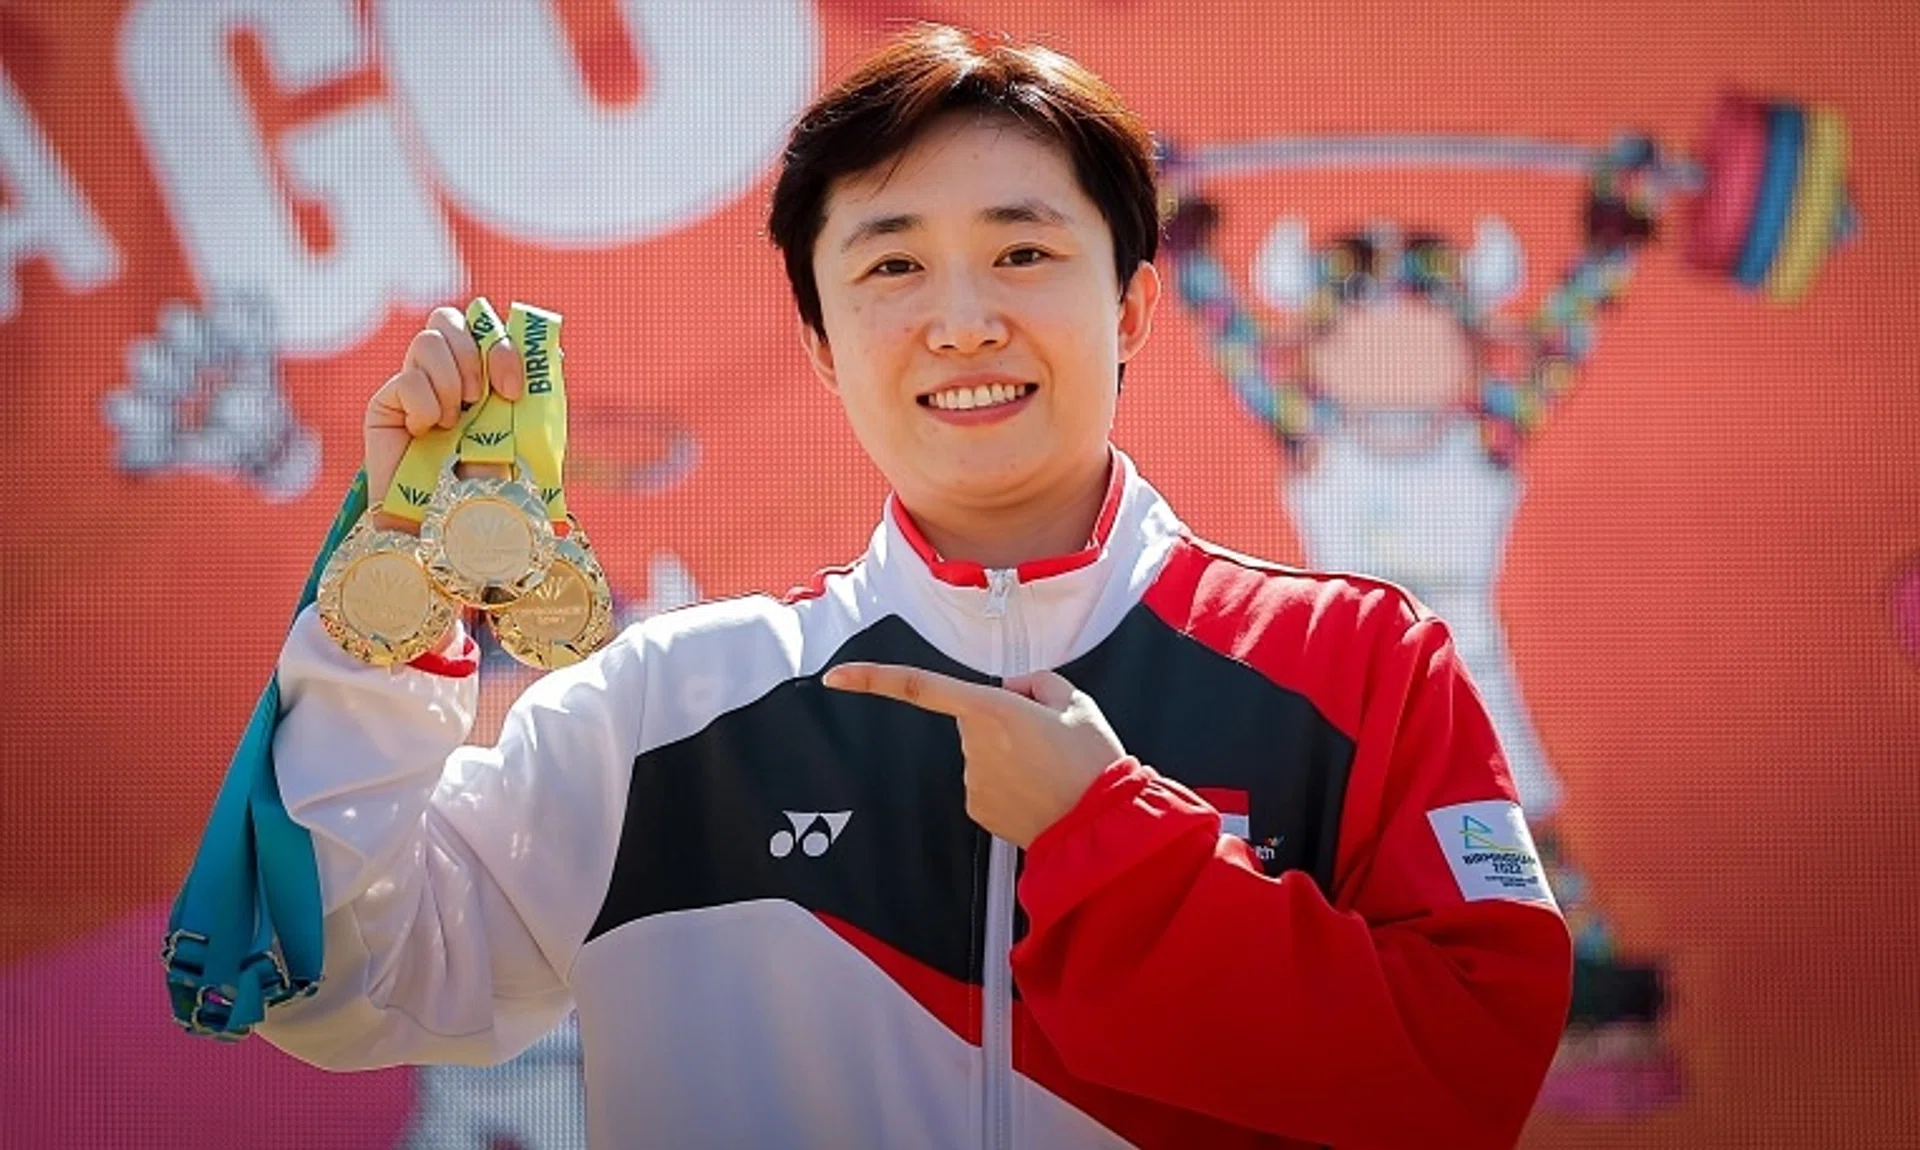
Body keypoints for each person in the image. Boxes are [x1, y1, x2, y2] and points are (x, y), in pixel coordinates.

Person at [258, 24, 1572, 1149]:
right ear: (823, 345)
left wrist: (1109, 839)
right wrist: (400, 583)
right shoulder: (658, 713)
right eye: (892, 265)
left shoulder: (1362, 667)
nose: (962, 321)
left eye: (1023, 254)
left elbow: (1469, 1082)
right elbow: (332, 973)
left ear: (1131, 307)